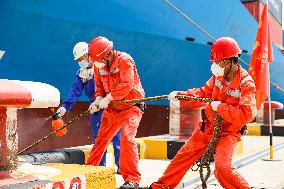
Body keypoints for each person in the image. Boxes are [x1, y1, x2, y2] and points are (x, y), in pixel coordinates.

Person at [149, 37, 257, 189]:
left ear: (227, 62)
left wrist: (220, 107)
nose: (213, 65)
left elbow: (247, 114)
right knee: (183, 156)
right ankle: (160, 187)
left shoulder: (246, 84)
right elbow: (203, 93)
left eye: (216, 62)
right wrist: (180, 96)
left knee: (222, 168)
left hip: (229, 132)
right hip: (208, 127)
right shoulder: (218, 77)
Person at [86, 36, 145, 189]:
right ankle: (87, 172)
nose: (96, 64)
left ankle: (132, 180)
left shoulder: (125, 60)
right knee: (100, 141)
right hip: (112, 109)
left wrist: (109, 97)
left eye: (98, 60)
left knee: (126, 138)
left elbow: (127, 84)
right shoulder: (98, 66)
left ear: (107, 55)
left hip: (131, 107)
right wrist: (98, 100)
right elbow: (99, 86)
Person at [55, 42, 121, 170]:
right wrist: (64, 108)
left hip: (110, 103)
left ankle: (121, 166)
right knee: (98, 138)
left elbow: (114, 85)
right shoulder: (82, 73)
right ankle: (100, 168)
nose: (80, 62)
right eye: (78, 60)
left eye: (81, 59)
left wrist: (106, 100)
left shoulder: (101, 66)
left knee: (117, 136)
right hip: (95, 106)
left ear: (88, 55)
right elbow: (75, 91)